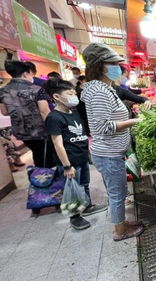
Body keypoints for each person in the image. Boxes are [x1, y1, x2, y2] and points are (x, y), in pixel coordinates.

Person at [81, 43, 144, 241]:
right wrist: (135, 121)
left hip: (110, 152)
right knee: (117, 194)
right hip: (108, 154)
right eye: (114, 63)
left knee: (119, 191)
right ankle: (120, 231)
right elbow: (101, 127)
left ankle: (122, 223)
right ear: (100, 65)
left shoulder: (102, 88)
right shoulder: (99, 92)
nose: (119, 67)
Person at [44, 78, 107, 230]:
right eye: (69, 93)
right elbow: (58, 144)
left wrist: (88, 151)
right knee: (72, 189)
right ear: (57, 97)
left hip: (81, 157)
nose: (74, 96)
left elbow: (82, 135)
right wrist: (66, 166)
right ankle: (75, 217)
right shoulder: (54, 118)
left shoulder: (74, 112)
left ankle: (87, 206)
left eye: (74, 92)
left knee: (84, 184)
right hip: (69, 162)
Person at [0, 61, 53, 167]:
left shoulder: (2, 91)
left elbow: (5, 112)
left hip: (21, 132)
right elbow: (44, 112)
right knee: (46, 157)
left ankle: (40, 175)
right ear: (25, 73)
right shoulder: (37, 89)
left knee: (38, 154)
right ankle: (45, 178)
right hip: (41, 131)